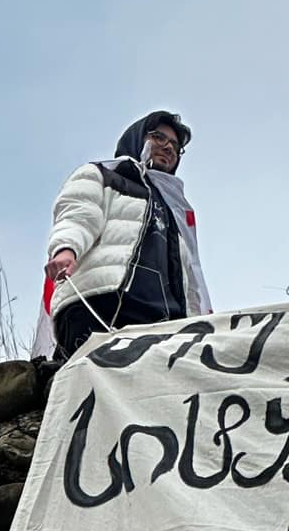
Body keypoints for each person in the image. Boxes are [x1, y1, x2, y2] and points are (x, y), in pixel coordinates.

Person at [44, 110, 211, 363]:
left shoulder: (175, 213)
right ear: (137, 139)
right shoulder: (104, 176)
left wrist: (197, 324)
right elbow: (79, 212)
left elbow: (189, 278)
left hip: (164, 321)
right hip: (103, 300)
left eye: (176, 146)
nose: (169, 148)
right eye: (159, 137)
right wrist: (66, 249)